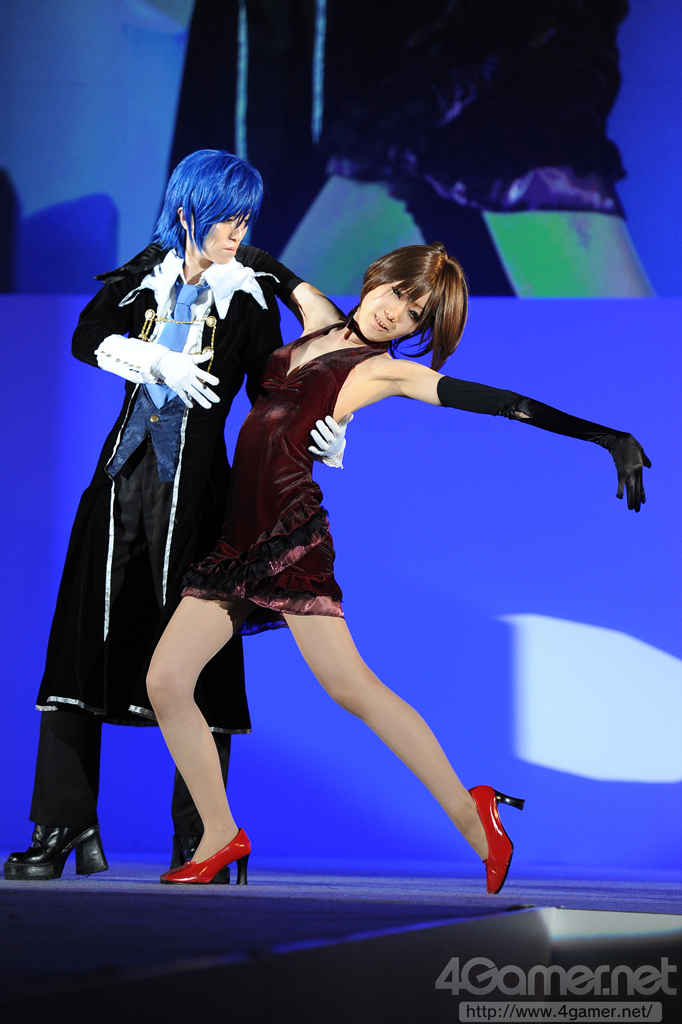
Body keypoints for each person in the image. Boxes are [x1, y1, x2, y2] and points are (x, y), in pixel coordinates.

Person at [145, 241, 649, 894]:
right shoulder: (317, 315)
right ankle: (219, 833)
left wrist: (606, 436)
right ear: (377, 278)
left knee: (352, 687)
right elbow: (266, 264)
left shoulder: (384, 372)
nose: (395, 313)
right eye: (397, 294)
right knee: (166, 680)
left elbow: (506, 402)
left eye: (414, 315)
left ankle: (473, 815)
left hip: (289, 538)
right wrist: (185, 240)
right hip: (235, 539)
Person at [4, 149, 350, 882]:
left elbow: (279, 386)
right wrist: (154, 360)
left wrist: (321, 431)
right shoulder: (143, 278)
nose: (239, 232)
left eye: (247, 220)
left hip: (200, 498)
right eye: (228, 217)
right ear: (190, 211)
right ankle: (64, 823)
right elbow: (86, 337)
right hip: (117, 486)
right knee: (79, 646)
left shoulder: (248, 299)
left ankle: (204, 837)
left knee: (204, 662)